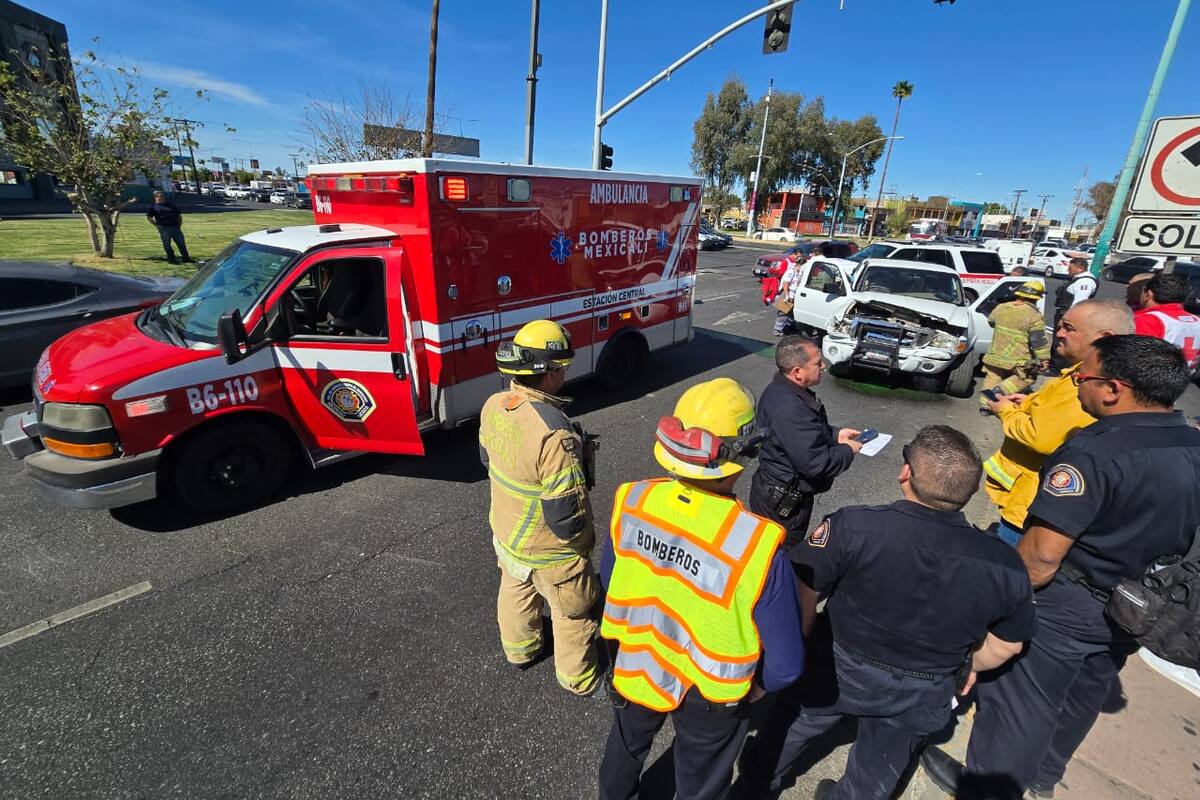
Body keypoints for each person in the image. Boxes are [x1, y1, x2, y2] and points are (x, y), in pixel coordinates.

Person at [923, 335, 1200, 799]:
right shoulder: (1192, 442)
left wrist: (1002, 607)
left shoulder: (1095, 451)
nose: (1076, 387)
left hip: (1069, 604)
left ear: (1112, 389)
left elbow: (1040, 557)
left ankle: (987, 787)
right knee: (1085, 691)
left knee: (1021, 703)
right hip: (1142, 604)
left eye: (1082, 379)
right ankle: (1042, 776)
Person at [740, 426, 1036, 800]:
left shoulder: (852, 527)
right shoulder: (1005, 565)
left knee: (795, 726)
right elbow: (1008, 645)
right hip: (925, 685)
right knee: (879, 768)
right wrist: (968, 666)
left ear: (905, 473)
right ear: (971, 490)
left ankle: (757, 781)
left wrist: (800, 646)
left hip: (838, 666)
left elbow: (804, 593)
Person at [597, 378, 806, 800]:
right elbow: (785, 665)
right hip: (712, 693)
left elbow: (609, 578)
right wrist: (756, 690)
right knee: (700, 781)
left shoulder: (633, 500)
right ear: (746, 452)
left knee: (626, 744)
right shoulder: (757, 546)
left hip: (639, 658)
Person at [477, 320, 600, 696]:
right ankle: (578, 678)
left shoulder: (494, 404)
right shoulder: (555, 435)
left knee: (515, 588)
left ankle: (521, 650)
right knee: (573, 612)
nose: (565, 372)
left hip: (507, 532)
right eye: (562, 366)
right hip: (550, 552)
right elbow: (566, 518)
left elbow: (486, 460)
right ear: (549, 373)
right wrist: (582, 550)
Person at [981, 299, 1134, 546]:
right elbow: (1058, 416)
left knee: (1008, 566)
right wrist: (1030, 402)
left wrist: (1006, 411)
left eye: (1069, 328)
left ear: (1104, 338)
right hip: (1031, 502)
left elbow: (1040, 438)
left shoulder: (1086, 384)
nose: (1059, 333)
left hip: (1028, 507)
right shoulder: (1085, 375)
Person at [750, 335, 861, 550]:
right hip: (783, 505)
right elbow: (816, 464)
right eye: (817, 363)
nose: (824, 366)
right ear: (797, 372)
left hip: (775, 490)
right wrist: (848, 450)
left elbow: (804, 434)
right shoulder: (790, 407)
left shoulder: (783, 389)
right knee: (779, 555)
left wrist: (836, 434)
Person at [979, 280, 1051, 403]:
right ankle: (999, 391)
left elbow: (991, 322)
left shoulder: (1001, 307)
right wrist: (1044, 359)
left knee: (993, 377)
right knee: (1028, 377)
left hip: (995, 353)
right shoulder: (1034, 315)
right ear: (1037, 298)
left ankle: (986, 405)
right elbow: (1038, 340)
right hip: (1017, 358)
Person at [1134, 272, 1200, 370]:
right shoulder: (1197, 321)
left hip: (1151, 375)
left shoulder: (1147, 319)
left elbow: (1133, 356)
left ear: (1148, 294)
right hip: (1183, 375)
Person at [145, 190, 192, 264]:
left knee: (181, 243)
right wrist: (157, 226)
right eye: (160, 196)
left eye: (163, 196)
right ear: (155, 197)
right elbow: (149, 218)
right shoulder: (152, 206)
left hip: (175, 227)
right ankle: (171, 258)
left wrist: (179, 225)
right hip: (164, 228)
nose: (162, 198)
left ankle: (185, 257)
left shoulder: (170, 205)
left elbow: (178, 215)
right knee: (167, 244)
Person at [1052, 258, 1098, 328]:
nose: (1067, 270)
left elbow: (1079, 302)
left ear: (1080, 268)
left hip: (1069, 316)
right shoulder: (1077, 279)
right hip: (1063, 313)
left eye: (1070, 268)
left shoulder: (1085, 281)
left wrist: (1066, 319)